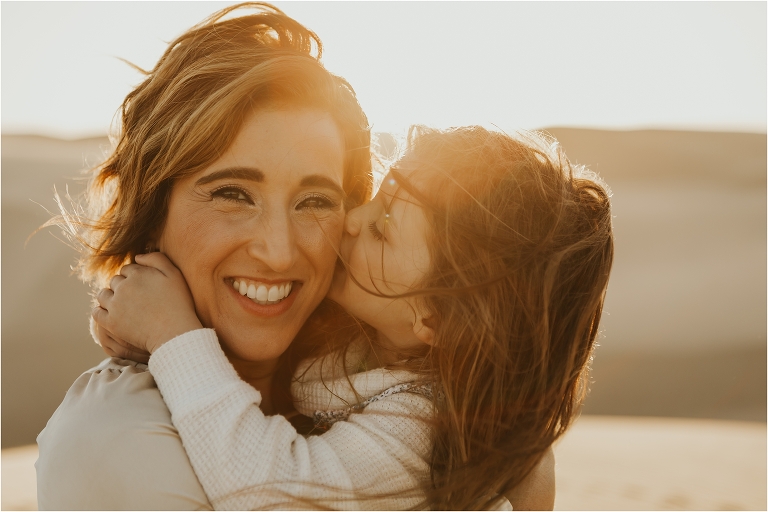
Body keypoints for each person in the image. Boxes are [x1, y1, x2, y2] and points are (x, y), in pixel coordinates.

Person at [36, 3, 556, 510]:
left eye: (316, 201)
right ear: (152, 211)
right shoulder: (120, 441)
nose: (279, 252)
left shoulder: (377, 377)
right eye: (233, 194)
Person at [93, 126, 613, 509]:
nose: (353, 217)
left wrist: (173, 337)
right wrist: (142, 309)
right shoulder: (366, 334)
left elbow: (270, 492)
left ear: (434, 317)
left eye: (384, 226)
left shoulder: (426, 429)